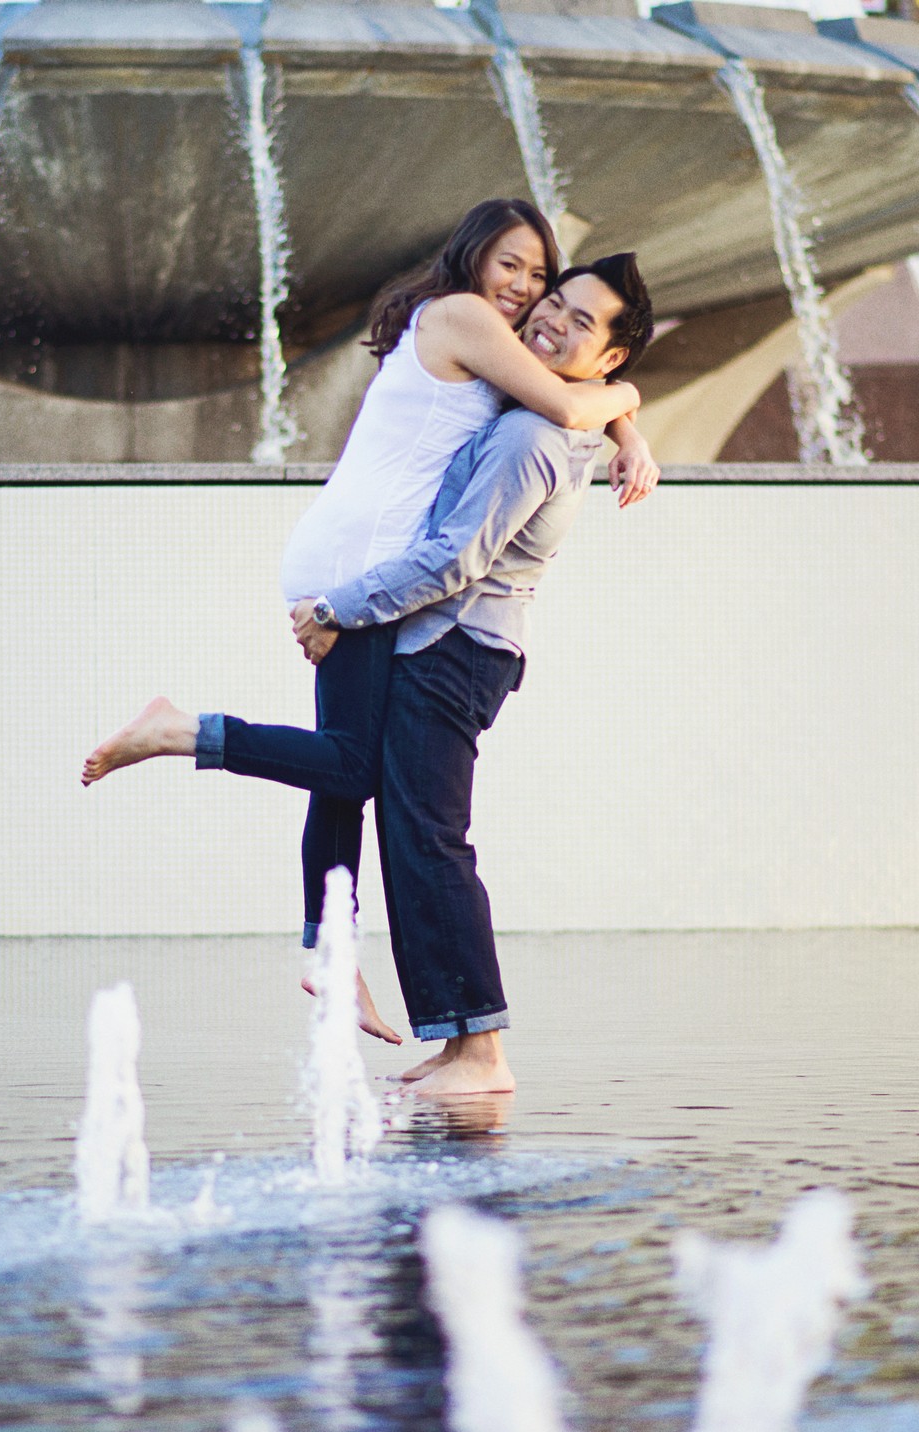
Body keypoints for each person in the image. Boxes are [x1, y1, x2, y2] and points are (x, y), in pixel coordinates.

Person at [83, 201, 658, 1040]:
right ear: (471, 258)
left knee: (344, 777)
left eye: (539, 275)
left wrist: (627, 426)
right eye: (512, 266)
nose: (528, 290)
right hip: (364, 568)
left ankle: (333, 956)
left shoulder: (474, 328)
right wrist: (632, 404)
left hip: (356, 558)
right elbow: (573, 404)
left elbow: (573, 380)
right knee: (353, 769)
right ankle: (182, 732)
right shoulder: (464, 316)